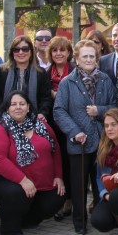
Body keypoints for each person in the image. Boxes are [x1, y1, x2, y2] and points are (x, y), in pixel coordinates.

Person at [0, 91, 65, 235]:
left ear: (28, 107)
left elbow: (55, 150)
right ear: (7, 108)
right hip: (4, 181)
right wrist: (22, 179)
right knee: (17, 193)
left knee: (57, 196)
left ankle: (27, 221)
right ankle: (10, 230)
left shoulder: (41, 125)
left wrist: (58, 176)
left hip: (39, 182)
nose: (18, 108)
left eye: (22, 104)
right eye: (13, 104)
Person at [53, 40, 115, 234]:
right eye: (84, 56)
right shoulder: (67, 82)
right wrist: (74, 132)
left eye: (92, 56)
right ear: (77, 60)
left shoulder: (105, 80)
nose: (88, 59)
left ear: (97, 59)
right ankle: (79, 223)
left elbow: (115, 106)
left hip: (103, 141)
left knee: (101, 182)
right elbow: (59, 110)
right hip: (79, 142)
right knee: (79, 186)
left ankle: (100, 217)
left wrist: (100, 110)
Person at [46, 36, 75, 221]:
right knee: (54, 163)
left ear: (69, 53)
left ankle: (70, 200)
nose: (58, 53)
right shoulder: (44, 73)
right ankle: (57, 198)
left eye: (62, 50)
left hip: (71, 124)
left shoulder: (75, 72)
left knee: (69, 163)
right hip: (51, 124)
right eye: (55, 50)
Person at [0, 36, 52, 122]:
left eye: (25, 49)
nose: (21, 52)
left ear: (31, 51)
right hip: (5, 120)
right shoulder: (3, 71)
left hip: (33, 119)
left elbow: (46, 98)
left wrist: (42, 113)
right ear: (12, 52)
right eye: (16, 49)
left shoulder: (41, 73)